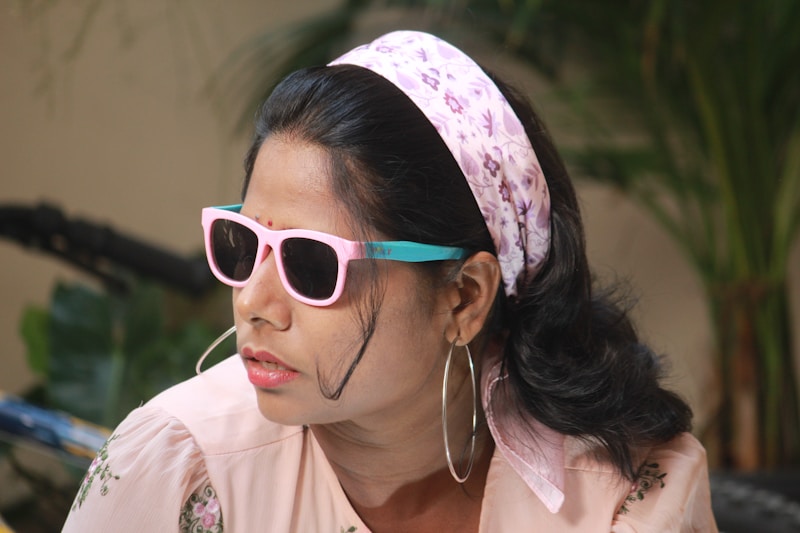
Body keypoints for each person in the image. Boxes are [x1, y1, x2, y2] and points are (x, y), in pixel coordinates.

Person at [62, 30, 717, 532]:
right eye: (244, 244)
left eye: (310, 264)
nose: (253, 301)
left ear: (463, 297)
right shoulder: (181, 469)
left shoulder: (624, 497)